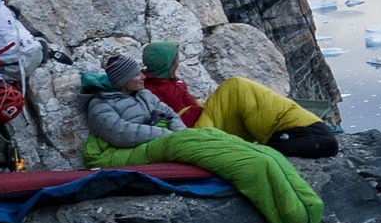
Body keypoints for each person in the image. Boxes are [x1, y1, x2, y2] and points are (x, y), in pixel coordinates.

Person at [128, 42, 339, 159]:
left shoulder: (166, 81)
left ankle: (290, 133)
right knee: (236, 87)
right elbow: (171, 118)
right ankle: (297, 133)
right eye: (175, 59)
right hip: (195, 133)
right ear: (167, 63)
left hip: (200, 124)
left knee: (239, 93)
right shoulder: (151, 89)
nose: (178, 62)